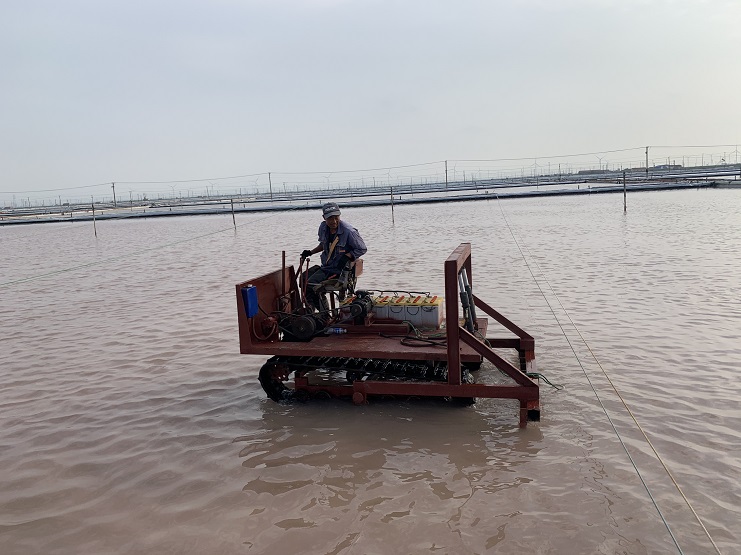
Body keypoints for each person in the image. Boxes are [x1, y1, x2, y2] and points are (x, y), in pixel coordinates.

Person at [300, 202, 367, 313]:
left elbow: (362, 248)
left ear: (339, 215)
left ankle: (324, 315)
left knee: (311, 284)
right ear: (324, 218)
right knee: (303, 278)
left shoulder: (349, 231)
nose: (334, 221)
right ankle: (314, 310)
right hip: (326, 267)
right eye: (330, 218)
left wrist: (347, 256)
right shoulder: (323, 228)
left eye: (336, 217)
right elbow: (324, 245)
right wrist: (310, 252)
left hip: (339, 270)